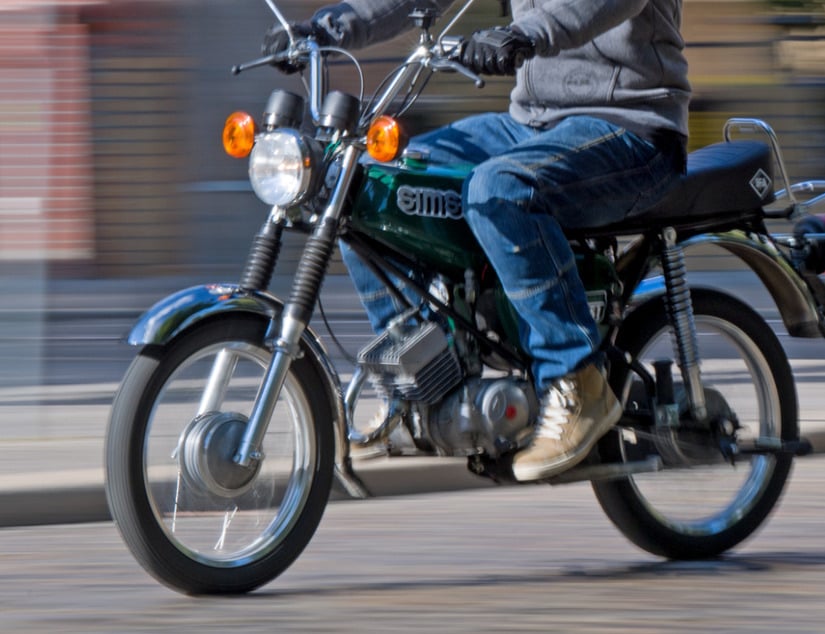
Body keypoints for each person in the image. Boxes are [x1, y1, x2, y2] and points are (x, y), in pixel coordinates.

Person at [263, 0, 690, 481]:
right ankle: (419, 386)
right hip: (532, 124)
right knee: (367, 183)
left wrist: (528, 34)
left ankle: (576, 378)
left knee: (499, 189)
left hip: (633, 125)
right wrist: (325, 30)